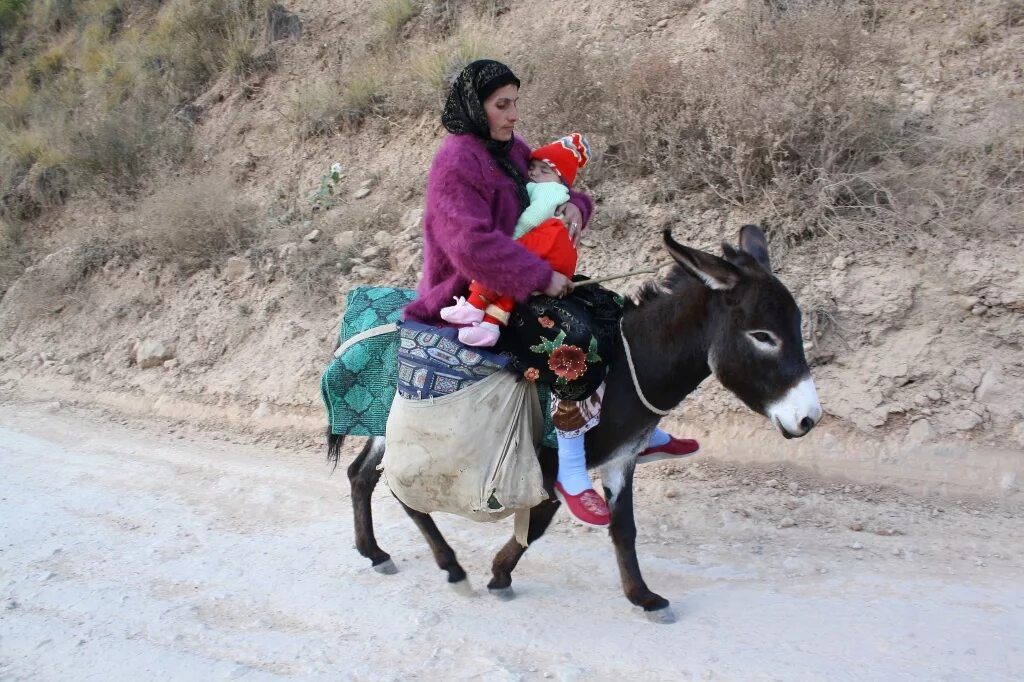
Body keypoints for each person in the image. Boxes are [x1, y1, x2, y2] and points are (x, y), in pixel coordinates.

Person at [403, 59, 699, 528]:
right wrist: (541, 277)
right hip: (474, 291)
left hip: (518, 277)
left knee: (615, 312)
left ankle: (638, 432)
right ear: (474, 108)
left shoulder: (510, 149)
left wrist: (578, 207)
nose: (514, 115)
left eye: (516, 103)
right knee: (571, 338)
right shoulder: (456, 161)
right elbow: (469, 245)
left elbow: (554, 186)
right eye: (503, 105)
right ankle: (572, 471)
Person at [439, 132, 592, 347]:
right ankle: (490, 326)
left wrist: (512, 238)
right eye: (533, 168)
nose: (534, 173)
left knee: (502, 260)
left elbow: (536, 214)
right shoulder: (470, 155)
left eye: (544, 170)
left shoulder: (539, 179)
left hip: (547, 245)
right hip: (551, 251)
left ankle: (474, 305)